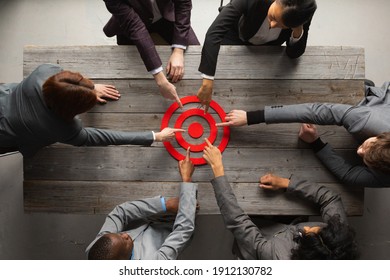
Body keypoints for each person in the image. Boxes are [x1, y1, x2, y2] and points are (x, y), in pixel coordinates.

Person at [202, 138, 359, 259]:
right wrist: (287, 183)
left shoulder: (276, 257)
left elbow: (238, 223)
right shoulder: (337, 236)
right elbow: (330, 199)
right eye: (318, 229)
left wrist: (217, 169)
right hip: (288, 222)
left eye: (308, 234)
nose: (306, 228)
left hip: (259, 240)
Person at [215, 81, 390, 187]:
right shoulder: (366, 120)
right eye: (367, 146)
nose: (359, 152)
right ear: (382, 136)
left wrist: (316, 143)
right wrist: (251, 117)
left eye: (366, 159)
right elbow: (314, 111)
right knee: (362, 90)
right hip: (379, 109)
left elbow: (350, 176)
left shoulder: (386, 175)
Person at [0, 63, 183, 157]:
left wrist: (89, 88)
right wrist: (154, 136)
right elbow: (102, 137)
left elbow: (63, 82)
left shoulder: (43, 72)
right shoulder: (63, 129)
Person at [197, 0, 317, 112]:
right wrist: (208, 80)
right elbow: (214, 33)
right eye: (274, 17)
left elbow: (294, 53)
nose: (273, 25)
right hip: (234, 36)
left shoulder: (302, 14)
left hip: (265, 52)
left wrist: (297, 28)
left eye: (282, 25)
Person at [86, 148, 198, 260]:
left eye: (119, 234)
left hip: (151, 218)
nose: (125, 234)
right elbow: (183, 230)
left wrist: (165, 204)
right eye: (124, 241)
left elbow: (120, 212)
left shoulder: (97, 251)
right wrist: (186, 180)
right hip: (174, 228)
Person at [103, 0, 200, 108]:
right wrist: (161, 81)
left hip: (166, 17)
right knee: (131, 72)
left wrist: (178, 51)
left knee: (196, 56)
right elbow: (136, 28)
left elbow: (183, 4)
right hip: (131, 23)